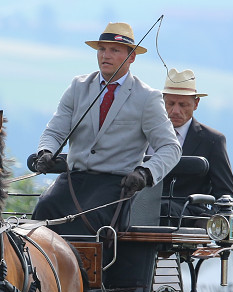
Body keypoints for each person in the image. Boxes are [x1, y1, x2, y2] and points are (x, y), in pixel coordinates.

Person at [31, 22, 181, 236]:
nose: (105, 55)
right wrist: (45, 151)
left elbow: (170, 148)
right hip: (74, 179)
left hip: (115, 185)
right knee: (43, 210)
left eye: (114, 50)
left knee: (89, 222)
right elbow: (55, 132)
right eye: (102, 49)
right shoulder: (77, 87)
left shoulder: (147, 97)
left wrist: (145, 173)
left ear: (131, 57)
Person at [159, 68, 233, 224]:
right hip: (142, 214)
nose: (175, 111)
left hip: (189, 217)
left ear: (196, 103)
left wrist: (208, 222)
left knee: (164, 208)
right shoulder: (146, 135)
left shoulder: (212, 141)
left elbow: (227, 194)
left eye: (183, 105)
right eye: (170, 104)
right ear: (162, 102)